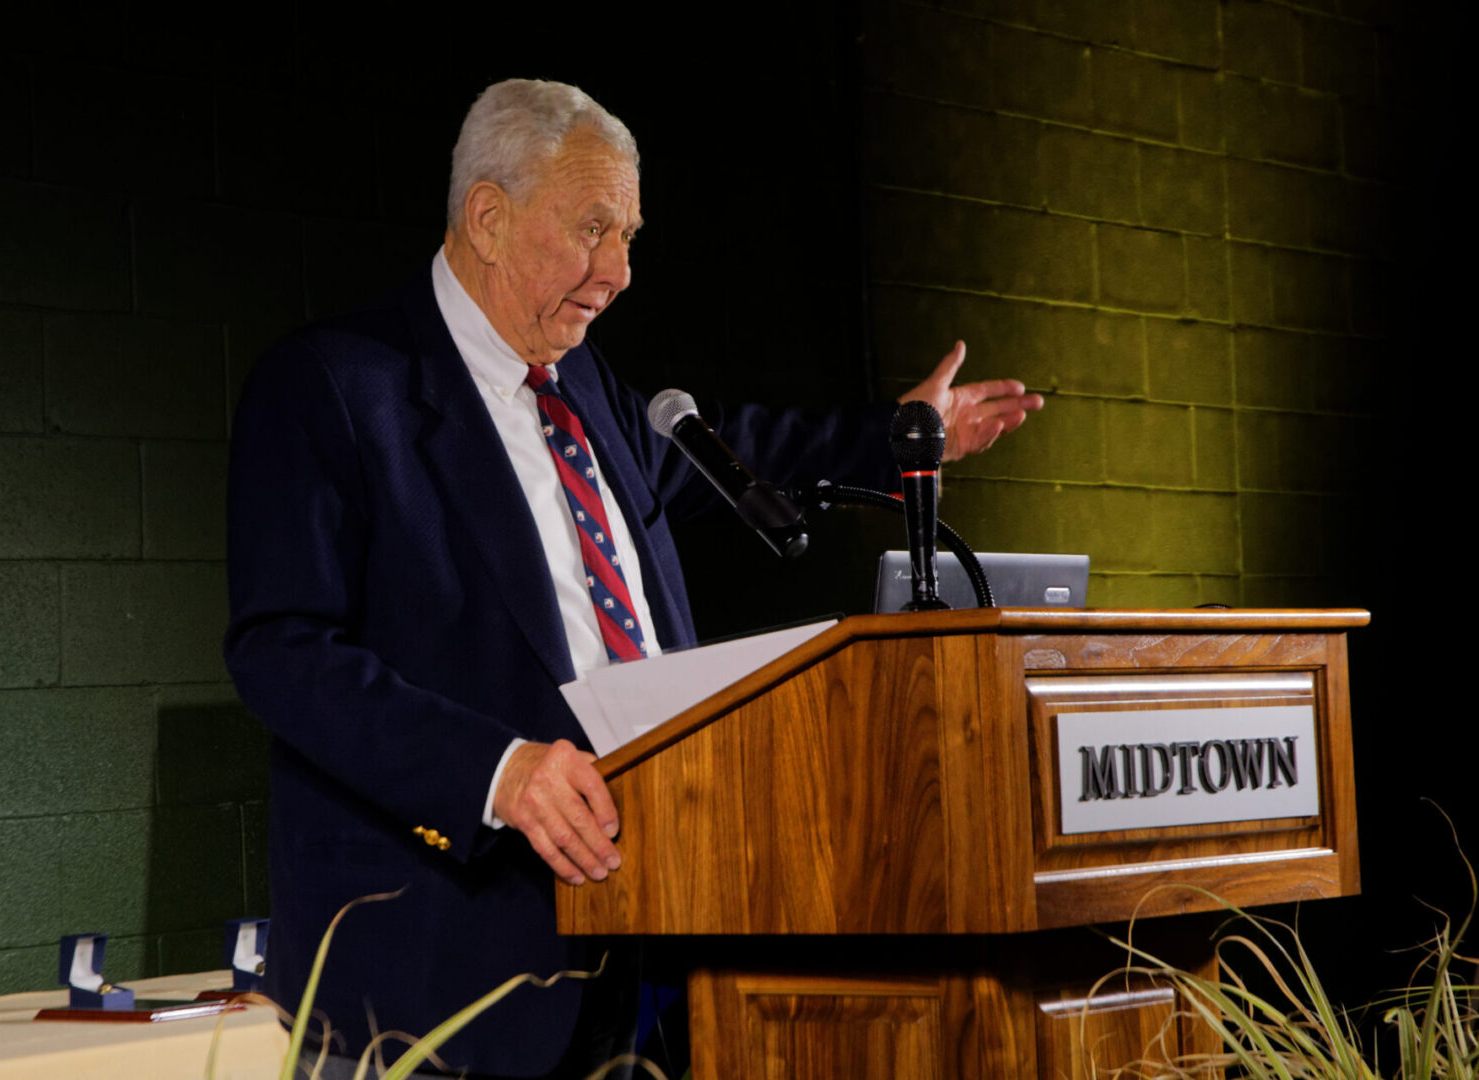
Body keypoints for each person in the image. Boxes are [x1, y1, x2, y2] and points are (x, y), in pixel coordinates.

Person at [224, 78, 1041, 1078]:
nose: (617, 272)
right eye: (593, 230)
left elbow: (730, 455)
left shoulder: (594, 393)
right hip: (441, 974)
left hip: (653, 944)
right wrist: (498, 771)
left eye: (630, 237)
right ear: (487, 216)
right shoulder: (334, 387)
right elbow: (283, 654)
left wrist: (899, 438)